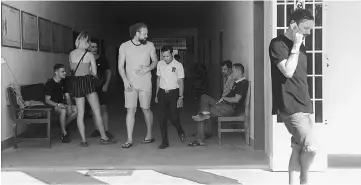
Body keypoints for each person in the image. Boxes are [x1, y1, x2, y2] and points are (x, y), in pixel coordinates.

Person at [269, 8, 316, 185]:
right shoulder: (277, 44)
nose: (308, 33)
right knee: (311, 147)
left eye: (311, 29)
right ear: (293, 25)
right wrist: (296, 46)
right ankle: (304, 179)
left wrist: (298, 44)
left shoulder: (302, 44)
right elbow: (288, 71)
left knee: (298, 148)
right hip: (289, 104)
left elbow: (301, 77)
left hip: (305, 103)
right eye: (306, 28)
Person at [69, 31, 116, 147]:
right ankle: (104, 137)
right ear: (87, 42)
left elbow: (71, 69)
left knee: (80, 113)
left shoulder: (71, 54)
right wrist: (88, 69)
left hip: (76, 83)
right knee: (97, 111)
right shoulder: (89, 55)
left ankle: (83, 140)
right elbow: (94, 73)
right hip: (88, 82)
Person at [118, 23, 158, 148]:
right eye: (144, 33)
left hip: (145, 83)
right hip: (130, 84)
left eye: (147, 33)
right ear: (137, 33)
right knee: (130, 110)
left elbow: (155, 61)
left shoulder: (150, 45)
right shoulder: (124, 46)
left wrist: (148, 68)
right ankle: (129, 139)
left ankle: (149, 135)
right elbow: (120, 66)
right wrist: (125, 80)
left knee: (146, 108)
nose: (147, 35)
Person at [188, 63, 249, 147]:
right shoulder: (237, 82)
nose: (232, 73)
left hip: (229, 108)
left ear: (238, 71)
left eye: (233, 71)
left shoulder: (243, 83)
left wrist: (224, 99)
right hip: (224, 105)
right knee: (204, 97)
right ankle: (206, 116)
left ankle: (200, 139)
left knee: (201, 114)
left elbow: (236, 99)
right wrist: (223, 99)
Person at [192, 60, 235, 139]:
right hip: (222, 102)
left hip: (226, 105)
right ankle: (207, 131)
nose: (222, 71)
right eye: (221, 69)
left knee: (203, 110)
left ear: (230, 69)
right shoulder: (227, 78)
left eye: (225, 69)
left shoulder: (232, 79)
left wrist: (224, 99)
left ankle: (203, 135)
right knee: (204, 98)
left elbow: (232, 94)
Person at [155, 45, 185, 149]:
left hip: (174, 94)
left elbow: (181, 82)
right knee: (162, 118)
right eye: (163, 56)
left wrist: (181, 97)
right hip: (162, 93)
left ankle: (180, 130)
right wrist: (156, 94)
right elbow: (158, 79)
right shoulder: (160, 64)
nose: (165, 58)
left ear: (172, 54)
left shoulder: (178, 65)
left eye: (167, 56)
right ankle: (164, 141)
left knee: (173, 117)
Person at [44, 64, 78, 143]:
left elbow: (68, 96)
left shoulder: (63, 82)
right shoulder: (49, 84)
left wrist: (69, 106)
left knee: (76, 109)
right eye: (62, 71)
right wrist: (58, 105)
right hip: (51, 106)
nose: (65, 73)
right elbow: (47, 100)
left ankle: (62, 125)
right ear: (56, 72)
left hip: (61, 104)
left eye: (64, 71)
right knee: (63, 110)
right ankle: (64, 133)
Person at [88, 40, 114, 139]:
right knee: (93, 110)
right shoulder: (86, 59)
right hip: (90, 87)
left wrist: (106, 84)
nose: (94, 49)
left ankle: (106, 130)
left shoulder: (102, 59)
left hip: (101, 86)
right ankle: (97, 129)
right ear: (88, 48)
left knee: (103, 108)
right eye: (92, 47)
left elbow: (108, 72)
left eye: (96, 47)